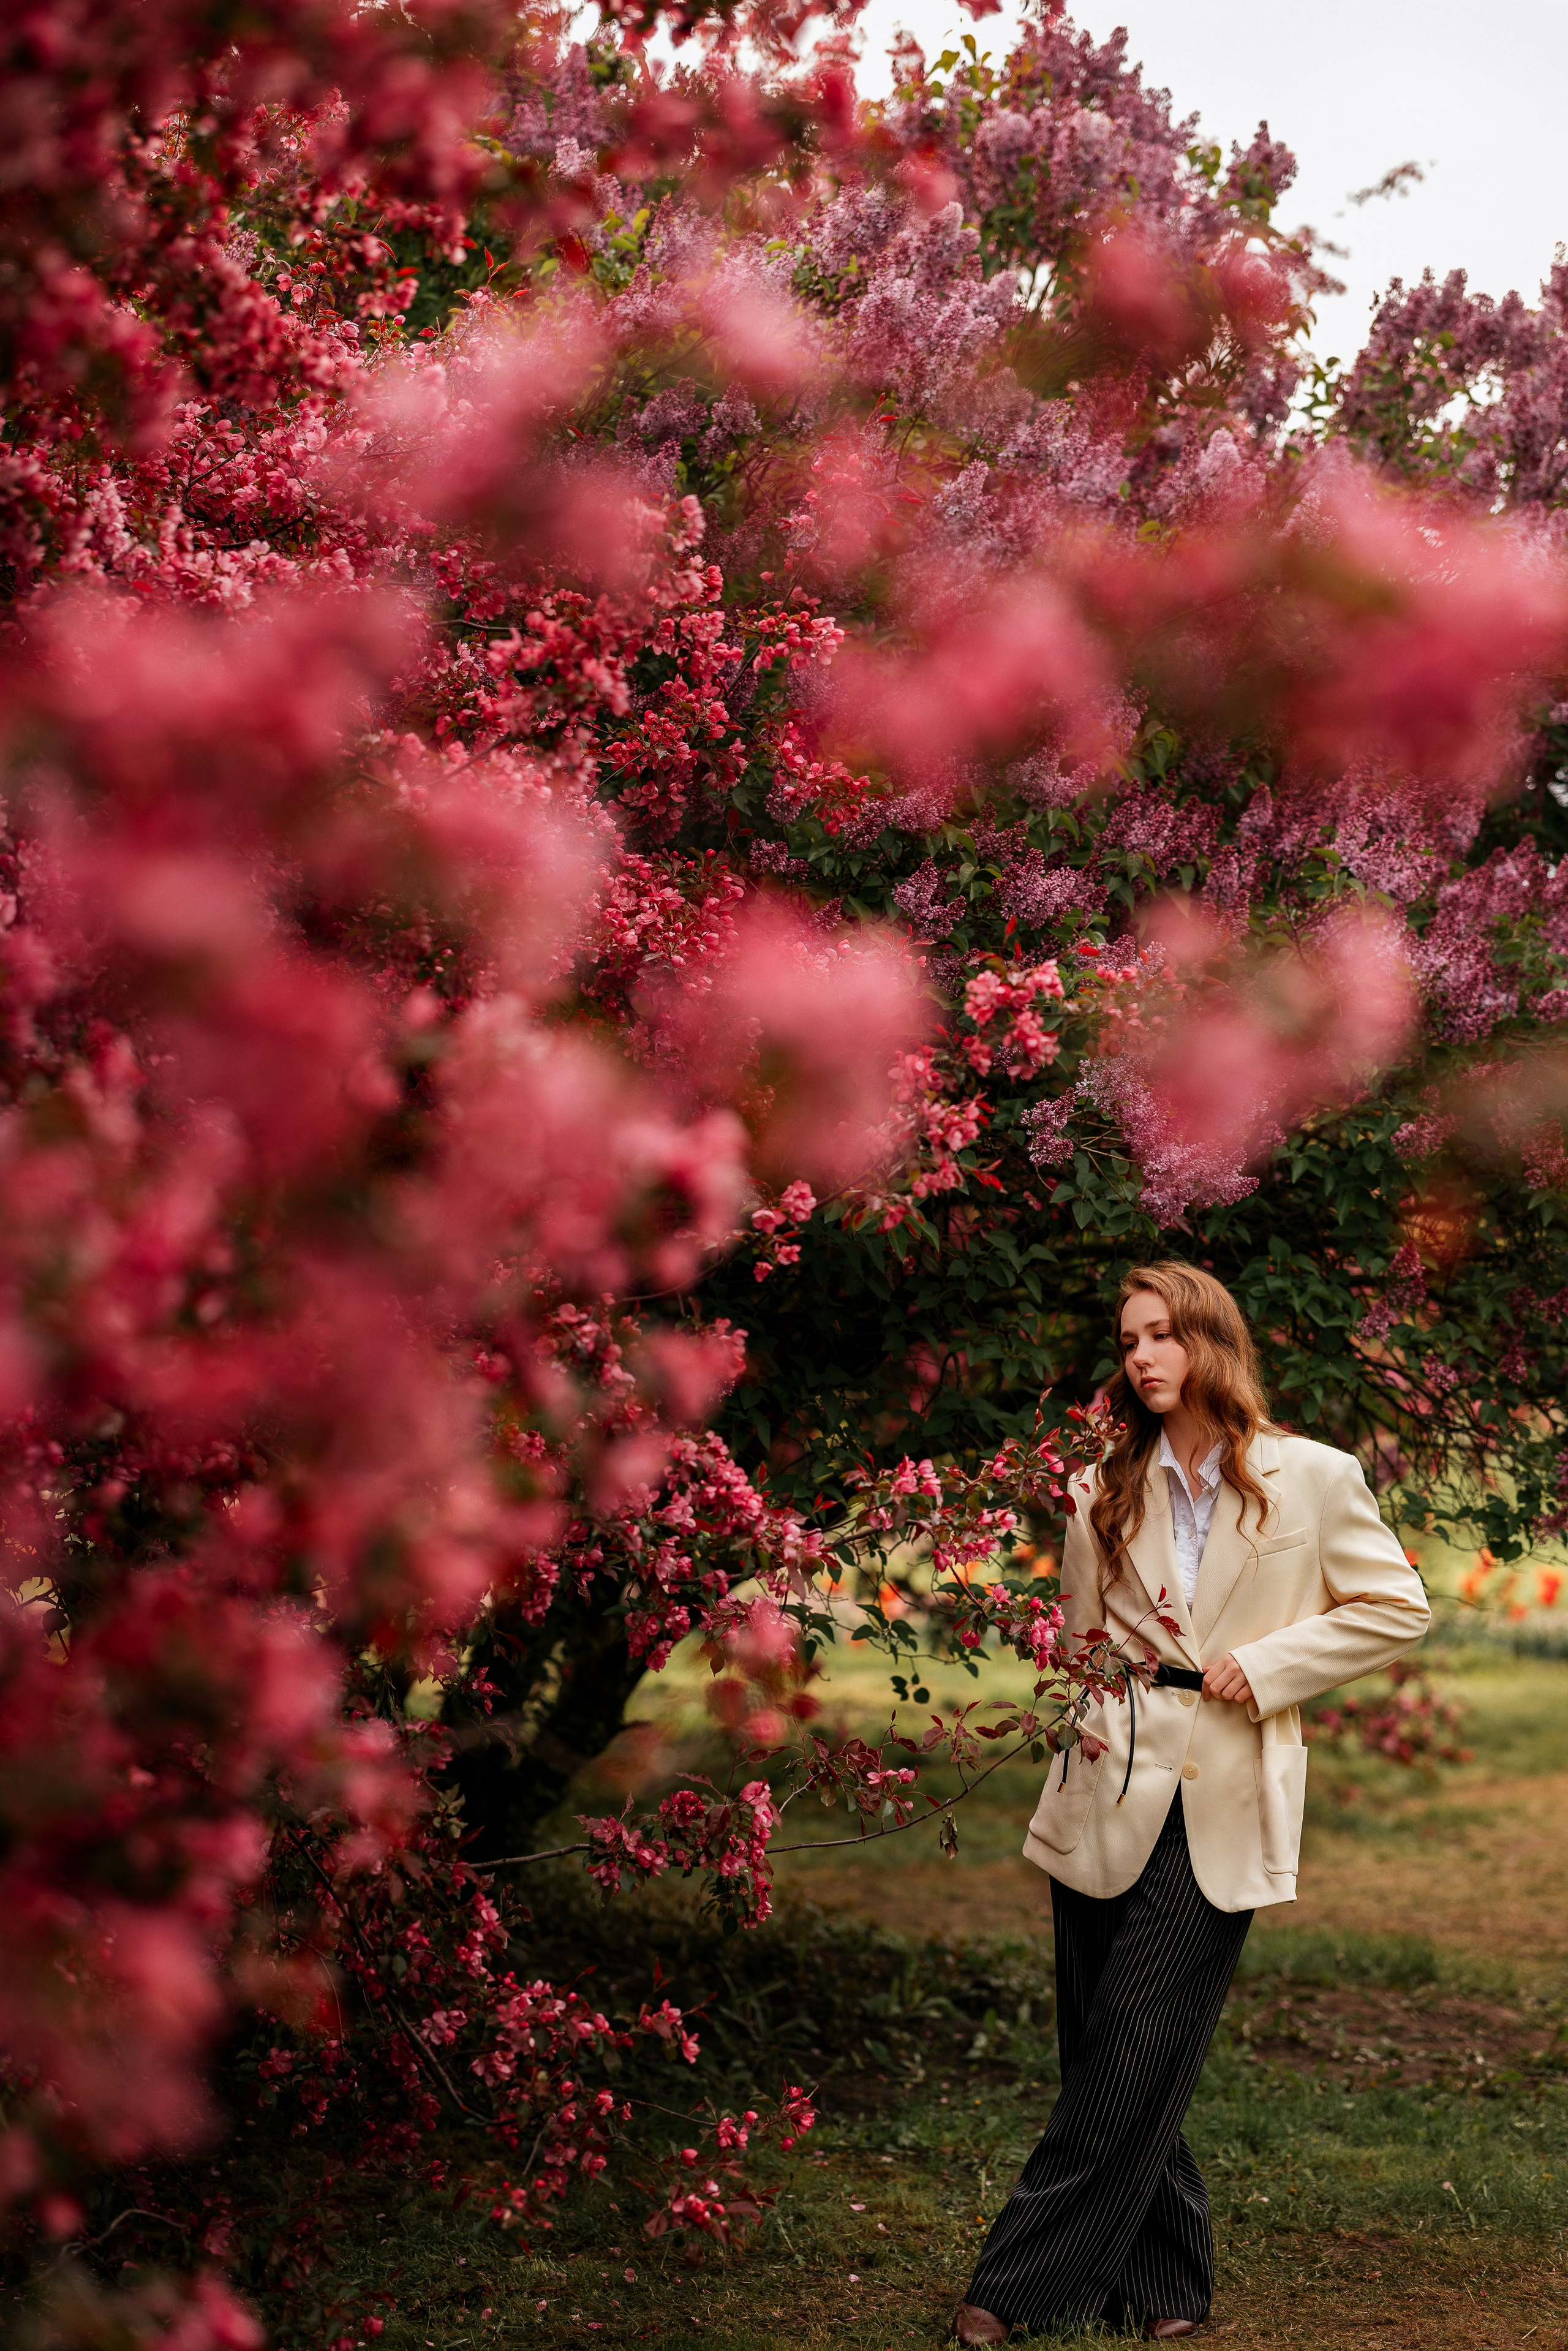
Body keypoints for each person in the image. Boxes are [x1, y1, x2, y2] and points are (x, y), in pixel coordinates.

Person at [951, 1261, 1430, 2345]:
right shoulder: (1102, 1483)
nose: (1143, 1357)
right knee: (1109, 2043)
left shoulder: (1313, 1476)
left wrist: (1269, 1665)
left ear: (1211, 1342)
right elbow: (1081, 1639)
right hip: (1106, 1782)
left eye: (1162, 1335)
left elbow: (1400, 1604)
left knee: (1134, 2032)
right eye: (1129, 1341)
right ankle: (1168, 2289)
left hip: (1226, 1790)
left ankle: (1014, 2288)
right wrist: (1084, 1733)